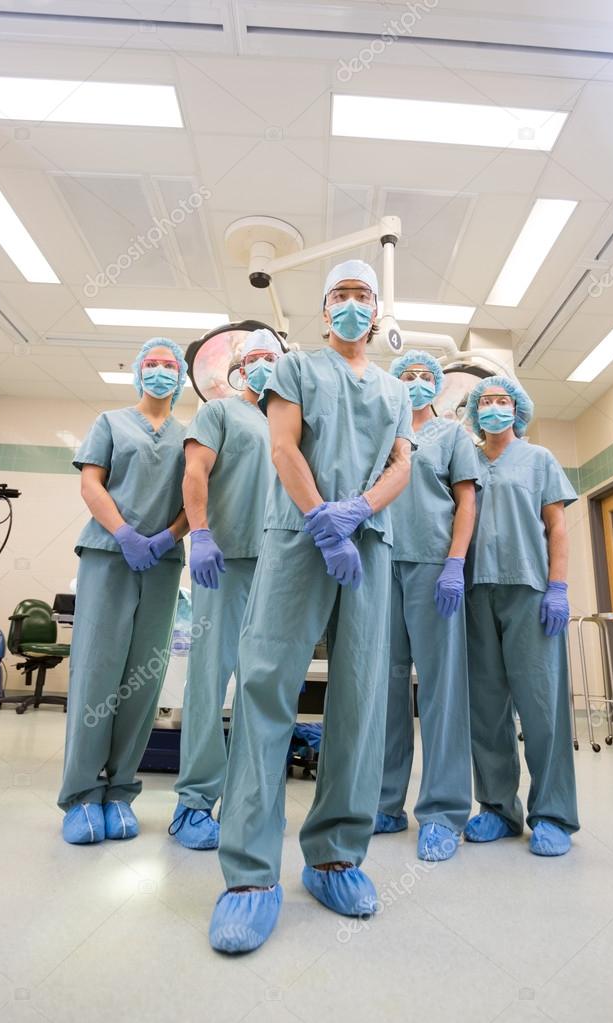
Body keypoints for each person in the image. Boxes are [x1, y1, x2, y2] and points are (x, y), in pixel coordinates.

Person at [209, 259, 413, 954]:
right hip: (299, 536)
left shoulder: (393, 389)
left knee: (359, 699)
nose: (353, 306)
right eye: (341, 297)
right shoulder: (294, 369)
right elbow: (283, 444)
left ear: (377, 311)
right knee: (267, 689)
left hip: (370, 542)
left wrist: (358, 511)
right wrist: (324, 518)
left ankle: (334, 858)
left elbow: (402, 465)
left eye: (364, 296)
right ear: (325, 313)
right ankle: (249, 876)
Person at [58, 338, 189, 844]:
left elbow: (195, 495)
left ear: (180, 377)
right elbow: (92, 484)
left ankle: (120, 792)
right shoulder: (111, 423)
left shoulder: (188, 435)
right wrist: (125, 534)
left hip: (161, 560)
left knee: (143, 678)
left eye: (168, 365)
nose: (160, 372)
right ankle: (81, 796)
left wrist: (167, 537)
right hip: (109, 556)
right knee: (97, 672)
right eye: (151, 364)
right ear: (138, 373)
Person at [169, 328, 284, 850]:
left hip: (281, 568)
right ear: (238, 368)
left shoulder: (292, 424)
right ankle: (193, 804)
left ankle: (250, 800)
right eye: (253, 358)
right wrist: (202, 534)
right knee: (210, 681)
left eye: (272, 358)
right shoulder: (218, 412)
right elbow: (196, 472)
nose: (262, 365)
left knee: (264, 686)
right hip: (228, 561)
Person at [463, 375, 578, 857]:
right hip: (474, 591)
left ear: (517, 409)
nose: (492, 407)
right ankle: (496, 808)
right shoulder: (464, 459)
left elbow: (557, 527)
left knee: (541, 706)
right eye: (484, 401)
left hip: (530, 591)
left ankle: (552, 814)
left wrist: (558, 586)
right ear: (473, 411)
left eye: (501, 400)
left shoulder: (539, 459)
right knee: (486, 709)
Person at [374, 350, 479, 861]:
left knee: (441, 690)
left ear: (437, 385)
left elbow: (467, 502)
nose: (414, 383)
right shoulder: (381, 431)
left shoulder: (453, 436)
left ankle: (442, 813)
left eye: (423, 377)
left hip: (434, 569)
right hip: (381, 566)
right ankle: (384, 801)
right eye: (406, 376)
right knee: (386, 689)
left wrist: (456, 562)